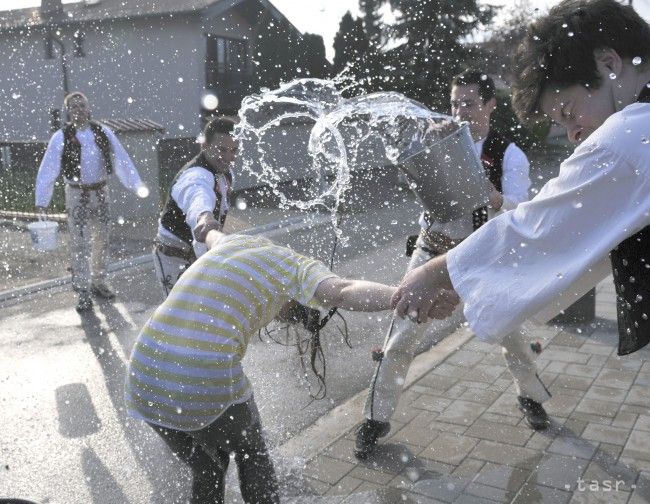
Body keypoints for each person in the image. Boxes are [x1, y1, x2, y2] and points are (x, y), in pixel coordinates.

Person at [392, 0, 650, 370]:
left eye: (568, 113)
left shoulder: (627, 135)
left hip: (464, 251)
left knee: (514, 347)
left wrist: (438, 274)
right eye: (455, 103)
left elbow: (539, 225)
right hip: (441, 244)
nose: (575, 135)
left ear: (609, 64)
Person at [354, 69, 552, 460]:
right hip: (432, 250)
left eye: (470, 103)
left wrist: (491, 195)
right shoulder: (437, 139)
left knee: (511, 332)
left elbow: (523, 211)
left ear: (491, 104)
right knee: (402, 334)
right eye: (455, 102)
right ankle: (375, 418)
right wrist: (425, 152)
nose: (460, 111)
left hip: (485, 256)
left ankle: (531, 396)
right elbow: (417, 185)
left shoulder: (509, 152)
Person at [124, 226, 401, 504]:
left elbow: (210, 234)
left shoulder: (234, 243)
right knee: (252, 453)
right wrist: (401, 296)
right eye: (290, 314)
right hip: (203, 374)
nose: (281, 320)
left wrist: (205, 222)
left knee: (208, 467)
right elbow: (341, 291)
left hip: (144, 376)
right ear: (297, 297)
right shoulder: (297, 268)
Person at [35, 91, 146, 312]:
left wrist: (136, 184)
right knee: (80, 243)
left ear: (89, 108)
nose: (78, 110)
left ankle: (99, 281)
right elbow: (48, 168)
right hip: (76, 194)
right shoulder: (61, 136)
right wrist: (42, 199)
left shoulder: (102, 132)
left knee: (102, 239)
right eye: (73, 106)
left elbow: (121, 158)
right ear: (68, 111)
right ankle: (83, 290)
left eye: (82, 105)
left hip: (101, 192)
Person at [153, 116, 237, 297]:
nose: (229, 158)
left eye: (234, 151)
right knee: (179, 319)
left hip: (200, 253)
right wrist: (204, 217)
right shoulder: (194, 176)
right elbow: (198, 198)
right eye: (222, 150)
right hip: (174, 258)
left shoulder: (226, 173)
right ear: (204, 145)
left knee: (208, 313)